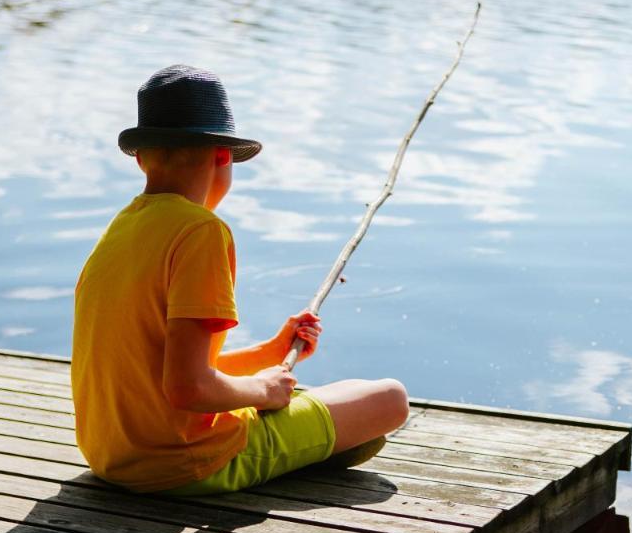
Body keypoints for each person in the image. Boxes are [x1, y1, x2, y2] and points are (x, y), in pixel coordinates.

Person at [71, 64, 408, 495]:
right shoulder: (201, 232)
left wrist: (269, 354)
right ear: (223, 155)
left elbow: (162, 374)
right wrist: (264, 390)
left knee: (352, 394)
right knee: (389, 399)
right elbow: (189, 388)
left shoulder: (121, 229)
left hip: (112, 455)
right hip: (184, 462)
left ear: (140, 157)